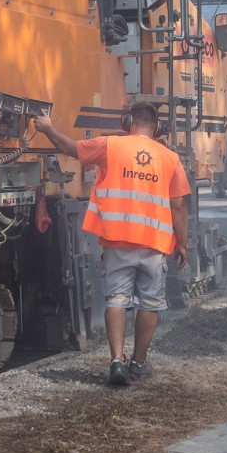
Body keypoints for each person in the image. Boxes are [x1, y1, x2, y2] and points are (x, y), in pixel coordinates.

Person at [33, 102, 190, 386]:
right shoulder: (170, 158)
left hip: (118, 241)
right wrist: (182, 243)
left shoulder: (110, 146)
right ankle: (138, 363)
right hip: (155, 244)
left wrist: (47, 129)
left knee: (116, 299)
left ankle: (117, 360)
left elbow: (70, 148)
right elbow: (178, 206)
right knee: (150, 304)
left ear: (128, 123)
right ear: (156, 128)